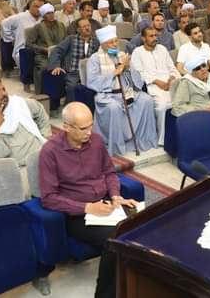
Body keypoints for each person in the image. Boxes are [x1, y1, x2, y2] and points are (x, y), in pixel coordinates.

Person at [39, 101, 139, 297]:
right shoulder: (50, 152)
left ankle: (137, 285)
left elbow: (109, 172)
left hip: (105, 203)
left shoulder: (97, 141)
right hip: (78, 215)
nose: (89, 132)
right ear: (67, 127)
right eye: (83, 128)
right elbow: (49, 198)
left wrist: (116, 196)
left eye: (91, 126)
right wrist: (87, 208)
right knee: (116, 238)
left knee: (143, 222)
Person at [0, 78, 50, 191]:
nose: (4, 94)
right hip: (18, 171)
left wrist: (45, 135)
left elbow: (40, 110)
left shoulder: (18, 104)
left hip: (42, 157)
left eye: (3, 89)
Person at [87, 25, 157, 155]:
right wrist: (115, 72)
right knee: (113, 107)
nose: (115, 44)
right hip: (108, 95)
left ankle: (143, 139)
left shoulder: (122, 55)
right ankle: (117, 146)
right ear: (103, 43)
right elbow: (92, 82)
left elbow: (137, 80)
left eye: (116, 41)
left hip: (126, 91)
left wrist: (128, 67)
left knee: (146, 100)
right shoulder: (95, 59)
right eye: (111, 42)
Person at [131, 27, 179, 146]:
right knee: (163, 106)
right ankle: (162, 139)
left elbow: (172, 68)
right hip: (152, 86)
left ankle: (179, 135)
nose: (155, 38)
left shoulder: (162, 49)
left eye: (155, 35)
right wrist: (157, 81)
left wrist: (171, 78)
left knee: (180, 102)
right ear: (143, 38)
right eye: (151, 36)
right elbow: (139, 74)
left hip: (170, 84)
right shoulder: (137, 52)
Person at [172, 56, 210, 136]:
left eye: (203, 66)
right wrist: (201, 111)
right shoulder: (186, 83)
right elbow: (178, 106)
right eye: (198, 68)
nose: (202, 69)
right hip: (202, 119)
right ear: (192, 73)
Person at [48, 19, 100, 102]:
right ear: (78, 30)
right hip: (73, 72)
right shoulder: (71, 39)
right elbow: (57, 51)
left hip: (89, 72)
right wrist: (56, 66)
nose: (87, 28)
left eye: (88, 25)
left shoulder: (96, 42)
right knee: (71, 87)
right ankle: (71, 107)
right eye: (84, 26)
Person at [26, 4, 67, 94]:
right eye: (48, 13)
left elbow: (66, 40)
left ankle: (62, 92)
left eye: (52, 13)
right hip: (43, 55)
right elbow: (29, 44)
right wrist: (43, 49)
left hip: (60, 54)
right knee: (45, 67)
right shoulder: (38, 27)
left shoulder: (61, 25)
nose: (51, 15)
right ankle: (43, 92)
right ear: (43, 16)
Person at [1, 0, 42, 65]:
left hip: (40, 50)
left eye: (41, 7)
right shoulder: (20, 17)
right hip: (23, 49)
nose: (39, 9)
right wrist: (10, 39)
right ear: (29, 7)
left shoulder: (43, 18)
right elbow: (4, 23)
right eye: (36, 6)